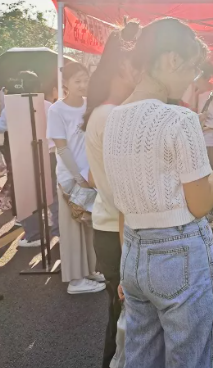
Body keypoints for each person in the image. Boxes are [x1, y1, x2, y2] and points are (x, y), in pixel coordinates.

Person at [102, 18, 213, 368]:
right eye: (193, 68)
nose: (192, 80)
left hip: (133, 251)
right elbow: (200, 203)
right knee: (195, 358)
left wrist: (126, 265)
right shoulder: (178, 119)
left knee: (141, 356)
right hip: (180, 250)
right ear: (172, 59)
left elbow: (123, 204)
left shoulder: (112, 119)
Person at [83, 21, 140, 368]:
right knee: (125, 321)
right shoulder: (112, 115)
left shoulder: (107, 112)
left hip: (112, 226)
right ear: (123, 65)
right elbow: (125, 190)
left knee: (123, 318)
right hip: (118, 231)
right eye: (140, 62)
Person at [48, 62, 106, 295]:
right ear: (66, 84)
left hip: (90, 176)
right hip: (70, 178)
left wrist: (91, 174)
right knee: (72, 228)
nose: (83, 85)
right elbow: (61, 148)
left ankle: (88, 270)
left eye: (85, 80)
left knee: (88, 225)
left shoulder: (89, 105)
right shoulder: (57, 110)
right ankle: (75, 279)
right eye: (77, 81)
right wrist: (77, 177)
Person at [0, 71, 59, 246]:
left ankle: (34, 235)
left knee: (26, 196)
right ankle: (59, 232)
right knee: (53, 195)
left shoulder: (10, 107)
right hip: (49, 154)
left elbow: (1, 127)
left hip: (24, 157)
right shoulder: (48, 105)